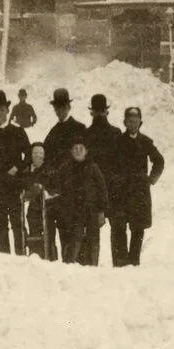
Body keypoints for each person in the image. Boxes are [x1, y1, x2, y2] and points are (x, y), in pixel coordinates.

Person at [40, 87, 89, 261]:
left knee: (77, 234)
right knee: (64, 232)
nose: (60, 111)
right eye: (57, 108)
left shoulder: (80, 128)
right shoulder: (53, 133)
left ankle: (79, 268)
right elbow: (45, 160)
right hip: (60, 192)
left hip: (77, 191)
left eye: (63, 107)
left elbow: (87, 160)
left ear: (69, 107)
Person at [0, 89, 32, 254]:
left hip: (14, 185)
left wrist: (17, 168)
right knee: (1, 224)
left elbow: (29, 155)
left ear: (8, 111)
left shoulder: (18, 132)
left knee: (17, 223)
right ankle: (5, 258)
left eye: (2, 110)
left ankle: (20, 256)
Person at [115, 105, 165, 266]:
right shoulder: (118, 142)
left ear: (140, 123)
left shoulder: (146, 142)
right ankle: (122, 261)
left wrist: (151, 179)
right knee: (120, 226)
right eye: (130, 121)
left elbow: (159, 161)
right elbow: (111, 164)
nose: (133, 124)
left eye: (136, 121)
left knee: (138, 228)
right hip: (122, 191)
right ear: (125, 122)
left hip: (139, 191)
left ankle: (134, 260)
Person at [47, 139, 109, 266]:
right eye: (75, 148)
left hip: (91, 211)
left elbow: (102, 189)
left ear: (86, 151)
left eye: (81, 148)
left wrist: (101, 211)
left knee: (93, 240)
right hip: (73, 212)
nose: (78, 151)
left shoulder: (93, 167)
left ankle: (93, 267)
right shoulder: (65, 168)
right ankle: (72, 267)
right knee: (74, 241)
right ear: (71, 151)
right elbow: (56, 185)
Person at [83, 92, 126, 267]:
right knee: (117, 231)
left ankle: (92, 267)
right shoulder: (116, 133)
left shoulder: (86, 134)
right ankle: (120, 266)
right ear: (106, 111)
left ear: (91, 112)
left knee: (93, 233)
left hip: (94, 190)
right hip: (114, 189)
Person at [22, 143, 50, 258]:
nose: (38, 156)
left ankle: (49, 257)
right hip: (34, 207)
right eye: (35, 153)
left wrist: (42, 188)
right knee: (32, 225)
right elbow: (24, 185)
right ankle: (36, 253)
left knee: (48, 236)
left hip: (48, 206)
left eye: (40, 153)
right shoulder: (27, 171)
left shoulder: (49, 170)